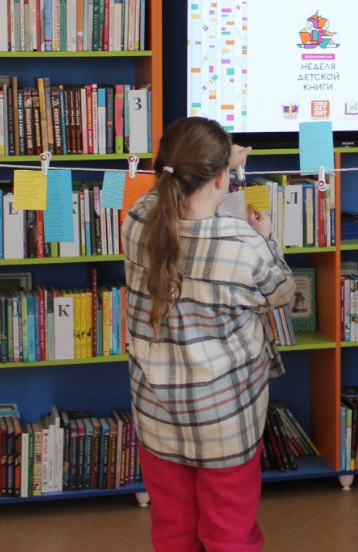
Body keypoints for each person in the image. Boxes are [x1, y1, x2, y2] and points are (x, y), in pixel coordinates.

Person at [121, 116, 296, 552]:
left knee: (173, 530)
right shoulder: (242, 243)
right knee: (228, 532)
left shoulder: (136, 221)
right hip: (225, 420)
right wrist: (267, 239)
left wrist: (216, 165)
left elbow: (162, 192)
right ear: (222, 179)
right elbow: (282, 294)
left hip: (157, 414)